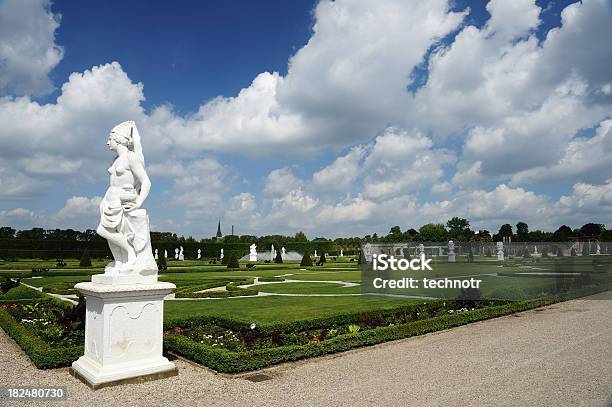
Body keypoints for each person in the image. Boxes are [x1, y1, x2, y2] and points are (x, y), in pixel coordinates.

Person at [96, 121, 155, 275]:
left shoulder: (130, 158)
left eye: (110, 139)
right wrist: (104, 201)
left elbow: (146, 182)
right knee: (111, 234)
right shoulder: (115, 160)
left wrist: (138, 202)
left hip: (122, 201)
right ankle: (119, 262)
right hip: (110, 200)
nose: (107, 142)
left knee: (103, 230)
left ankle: (130, 254)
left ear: (119, 140)